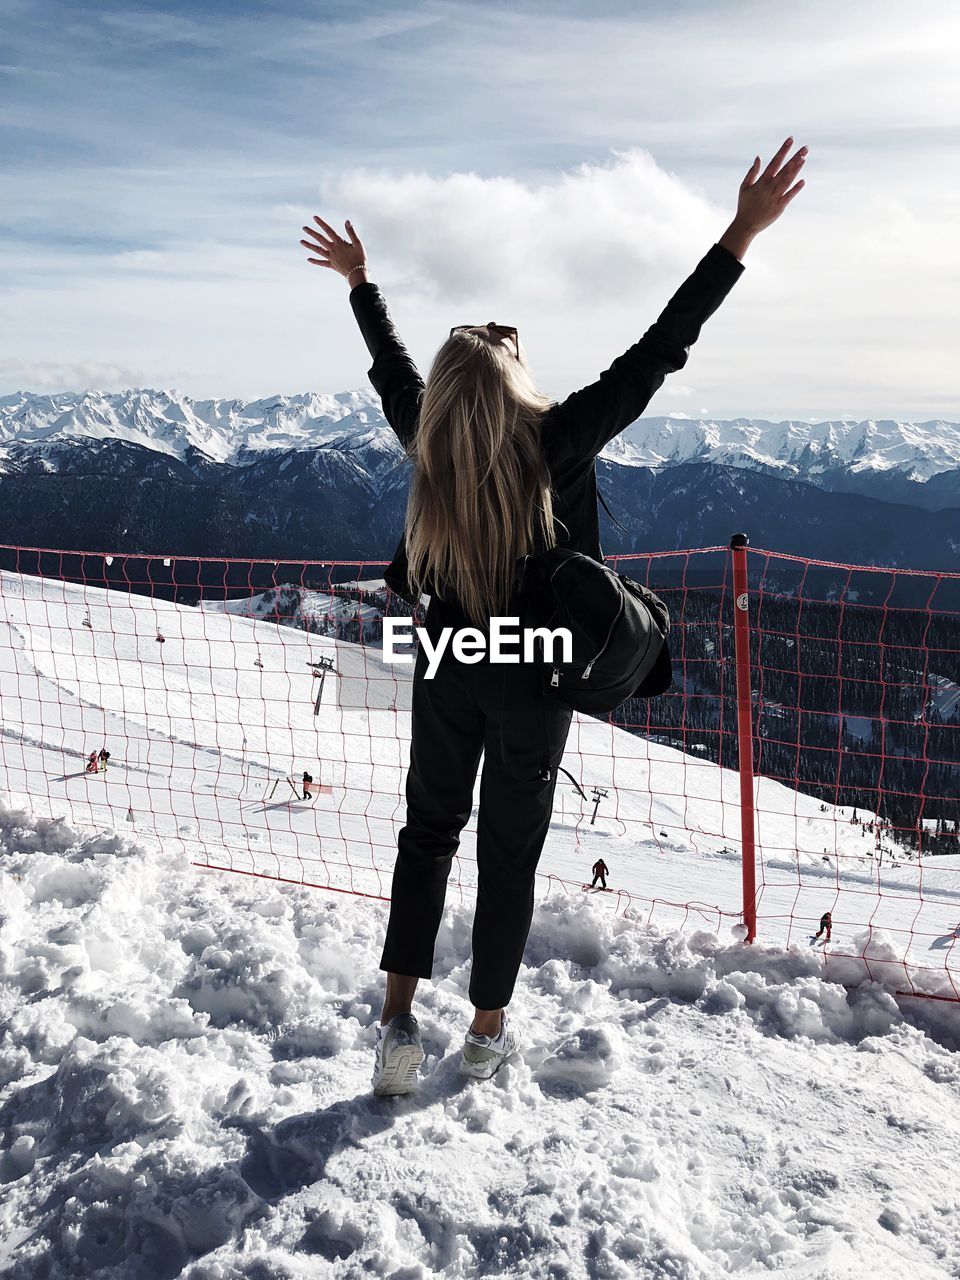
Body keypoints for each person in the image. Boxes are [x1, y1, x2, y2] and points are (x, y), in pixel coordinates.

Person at [301, 137, 807, 1096]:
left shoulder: (429, 440)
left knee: (427, 836)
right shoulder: (557, 440)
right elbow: (663, 348)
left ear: (453, 393)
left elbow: (389, 365)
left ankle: (398, 1029)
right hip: (536, 677)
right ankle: (488, 1033)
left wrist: (362, 283)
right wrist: (740, 233)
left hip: (448, 660)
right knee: (507, 856)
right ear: (509, 379)